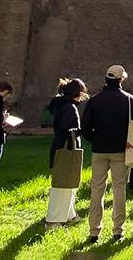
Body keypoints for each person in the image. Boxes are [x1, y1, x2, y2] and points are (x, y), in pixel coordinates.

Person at [81, 65, 133, 243]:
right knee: (119, 189)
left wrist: (96, 139)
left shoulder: (94, 100)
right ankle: (118, 230)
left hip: (99, 150)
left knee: (97, 190)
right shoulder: (129, 100)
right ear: (121, 80)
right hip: (121, 150)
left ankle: (94, 231)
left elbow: (84, 128)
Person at [46, 78, 87, 228]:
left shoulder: (63, 105)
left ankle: (70, 214)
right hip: (66, 149)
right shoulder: (69, 108)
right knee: (62, 184)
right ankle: (53, 220)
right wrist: (82, 130)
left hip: (64, 147)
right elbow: (64, 130)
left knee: (69, 183)